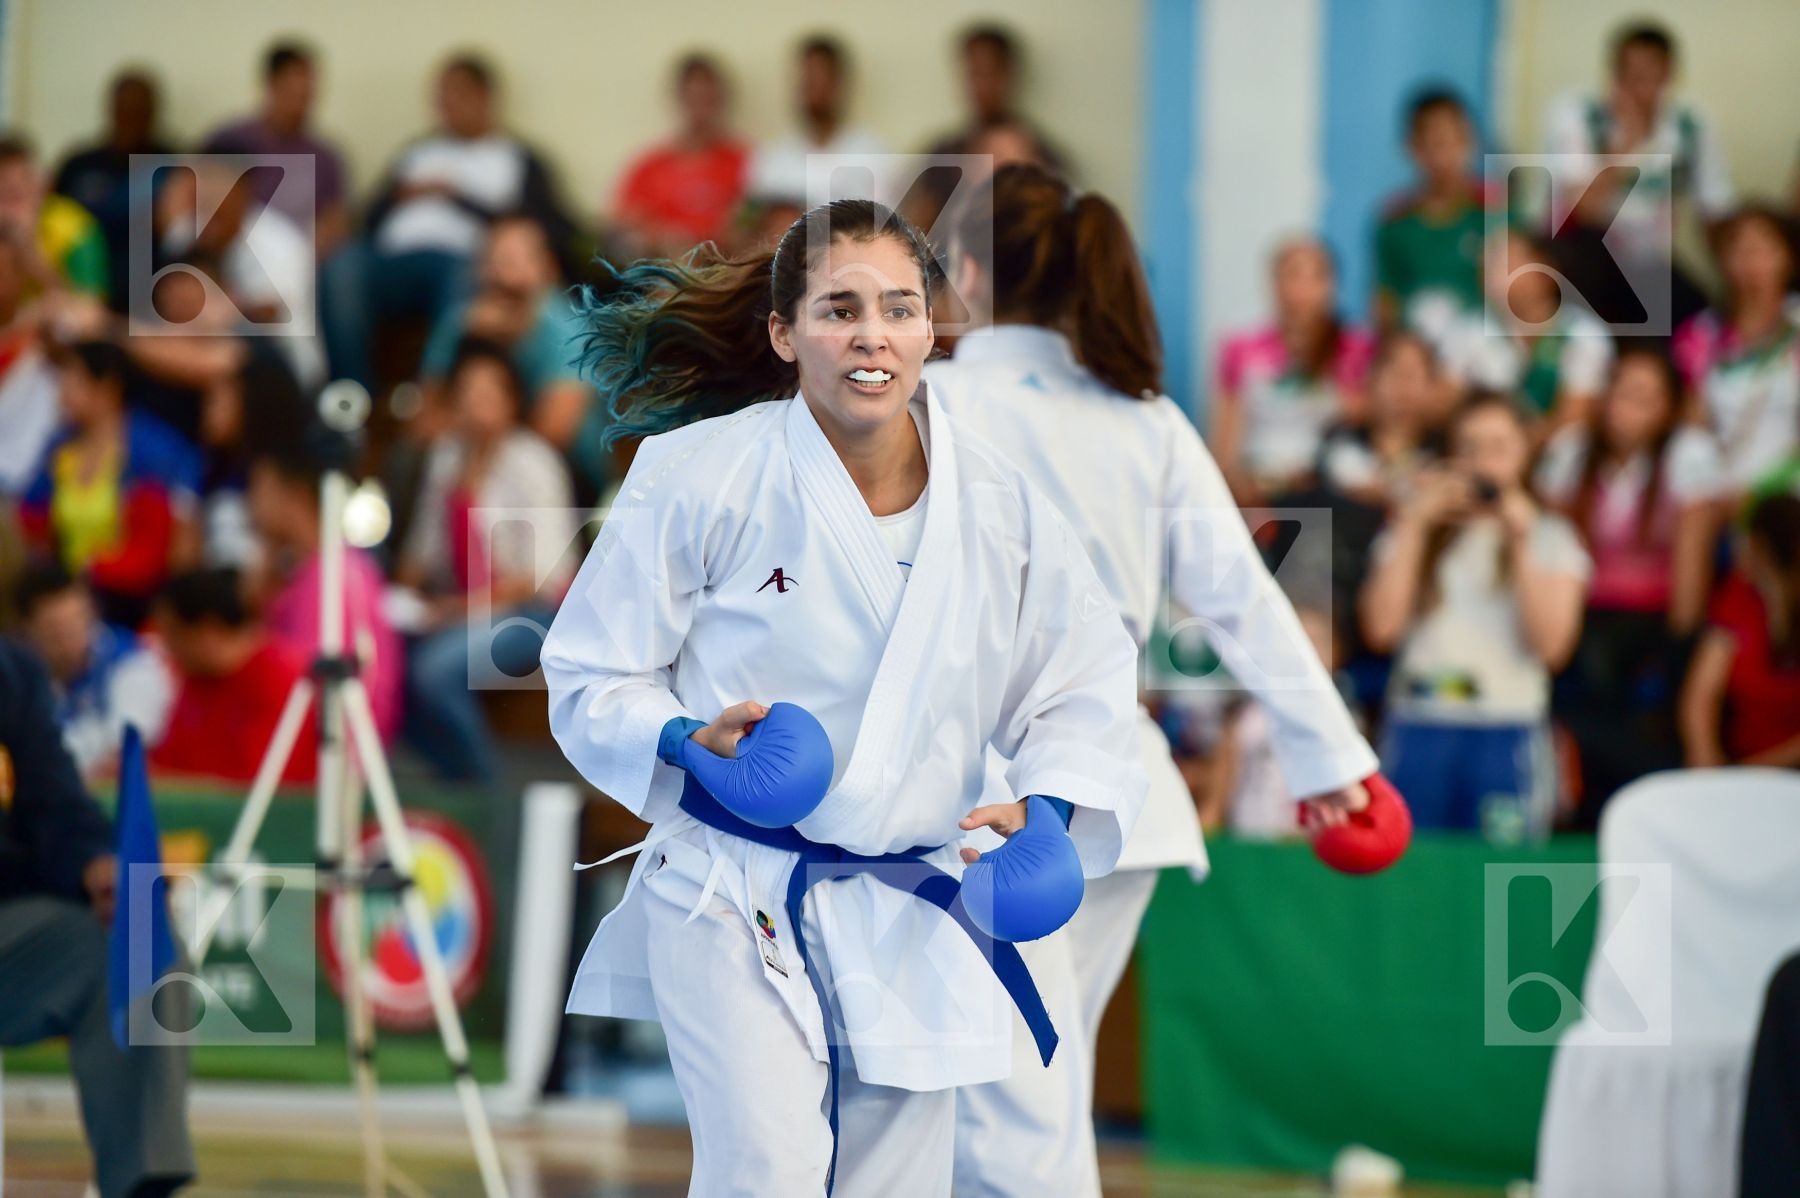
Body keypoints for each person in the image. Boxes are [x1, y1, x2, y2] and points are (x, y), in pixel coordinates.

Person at [543, 198, 1151, 1195]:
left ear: (931, 328)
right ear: (784, 333)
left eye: (899, 307)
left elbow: (1081, 677)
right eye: (838, 309)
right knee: (768, 1175)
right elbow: (590, 668)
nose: (872, 333)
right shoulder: (699, 475)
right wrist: (686, 738)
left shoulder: (1001, 502)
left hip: (914, 899)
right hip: (734, 890)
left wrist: (1048, 803)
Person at [923, 163, 1378, 1198]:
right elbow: (1247, 604)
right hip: (1120, 792)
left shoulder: (926, 405)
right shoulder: (1146, 418)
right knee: (1031, 1086)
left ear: (969, 271)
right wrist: (1331, 756)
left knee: (1009, 1112)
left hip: (986, 794)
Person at [0, 637, 194, 1198]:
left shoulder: (12, 673)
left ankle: (140, 1181)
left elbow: (58, 807)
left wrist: (97, 866)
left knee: (134, 943)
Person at [1359, 393, 1590, 834]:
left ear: (1524, 455)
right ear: (1451, 457)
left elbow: (1553, 648)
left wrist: (1521, 542)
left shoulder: (1552, 536)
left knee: (1500, 886)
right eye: (1470, 448)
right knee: (1413, 876)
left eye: (1499, 448)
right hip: (1419, 723)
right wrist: (1413, 525)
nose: (1485, 463)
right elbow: (1381, 629)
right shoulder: (1416, 531)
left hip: (1507, 728)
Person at [1536, 348, 1724, 821]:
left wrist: (1677, 649)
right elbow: (1552, 549)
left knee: (1615, 673)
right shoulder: (1572, 451)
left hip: (1653, 621)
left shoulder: (1688, 455)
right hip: (1580, 613)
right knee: (1577, 662)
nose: (1625, 407)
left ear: (1668, 408)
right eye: (1618, 391)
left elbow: (1690, 577)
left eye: (1642, 397)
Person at [322, 54, 576, 390]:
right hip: (391, 262)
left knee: (462, 277)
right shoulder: (417, 152)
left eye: (458, 94)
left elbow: (542, 226)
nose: (447, 105)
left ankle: (446, 393)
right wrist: (398, 197)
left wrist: (456, 197)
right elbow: (369, 218)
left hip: (461, 260)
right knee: (342, 263)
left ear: (485, 97)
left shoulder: (515, 157)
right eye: (441, 96)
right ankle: (352, 396)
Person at [397, 337, 573, 781]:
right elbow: (423, 552)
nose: (475, 404)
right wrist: (400, 595)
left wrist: (457, 611)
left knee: (434, 672)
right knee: (383, 658)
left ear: (512, 401)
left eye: (487, 393)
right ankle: (447, 776)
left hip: (537, 613)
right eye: (466, 393)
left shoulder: (534, 461)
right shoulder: (446, 456)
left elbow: (542, 575)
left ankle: (485, 789)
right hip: (462, 607)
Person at [1543, 20, 1733, 328]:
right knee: (1595, 258)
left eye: (1647, 76)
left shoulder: (1692, 126)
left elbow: (1714, 211)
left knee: (1698, 316)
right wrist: (1625, 144)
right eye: (1626, 75)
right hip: (1578, 255)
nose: (1635, 88)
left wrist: (1736, 277)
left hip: (1646, 263)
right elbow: (1584, 211)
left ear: (1669, 75)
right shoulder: (1576, 114)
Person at [20, 340, 203, 628]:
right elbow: (29, 523)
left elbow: (162, 551)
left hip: (133, 608)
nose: (62, 392)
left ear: (107, 388)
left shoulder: (154, 452)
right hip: (70, 603)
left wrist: (91, 571)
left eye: (74, 380)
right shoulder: (59, 449)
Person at [415, 212, 601, 487]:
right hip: (468, 461)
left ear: (546, 268)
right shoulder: (462, 324)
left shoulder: (571, 333)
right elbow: (422, 420)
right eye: (493, 261)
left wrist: (476, 422)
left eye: (514, 261)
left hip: (563, 475)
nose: (503, 276)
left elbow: (553, 433)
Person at [246, 449, 403, 744]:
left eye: (260, 487)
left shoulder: (334, 575)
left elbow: (310, 688)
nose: (250, 501)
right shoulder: (302, 569)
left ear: (295, 496)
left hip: (332, 753)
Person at [1211, 237, 1373, 505]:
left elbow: (1369, 424)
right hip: (1258, 487)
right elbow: (1226, 442)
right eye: (1292, 275)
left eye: (1316, 277)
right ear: (1273, 284)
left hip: (1330, 491)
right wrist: (1232, 486)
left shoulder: (1355, 347)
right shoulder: (1240, 347)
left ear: (1333, 286)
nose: (1303, 289)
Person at [1419, 228, 1614, 435]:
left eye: (1507, 264)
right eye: (1488, 266)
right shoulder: (1467, 330)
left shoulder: (1584, 333)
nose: (1493, 275)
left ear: (1545, 270)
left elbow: (1575, 419)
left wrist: (1516, 448)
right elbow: (1443, 405)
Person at [1671, 206, 1800, 497]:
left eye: (1763, 249)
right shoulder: (1702, 335)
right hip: (1722, 476)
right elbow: (1694, 426)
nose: (1751, 261)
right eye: (1740, 250)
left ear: (1789, 257)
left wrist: (1765, 485)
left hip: (1788, 474)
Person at [149, 566, 315, 784]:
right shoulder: (196, 678)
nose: (165, 646)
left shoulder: (282, 677)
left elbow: (254, 783)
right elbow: (169, 759)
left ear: (207, 630)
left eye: (170, 633)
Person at [15, 560, 175, 780]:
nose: (68, 639)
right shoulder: (18, 681)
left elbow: (125, 749)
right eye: (54, 629)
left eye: (75, 622)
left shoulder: (134, 663)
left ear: (91, 612)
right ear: (27, 631)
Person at [1679, 493, 1800, 768]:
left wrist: (1753, 773)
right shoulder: (1738, 596)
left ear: (1762, 547)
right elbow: (1701, 695)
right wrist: (1706, 758)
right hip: (1738, 763)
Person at [201, 40, 351, 258]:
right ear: (271, 86)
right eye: (293, 92)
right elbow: (202, 200)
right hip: (239, 247)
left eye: (307, 94)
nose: (302, 103)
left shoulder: (326, 157)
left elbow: (334, 221)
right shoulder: (231, 140)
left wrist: (307, 252)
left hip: (301, 255)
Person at [912, 25, 1067, 229]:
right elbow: (917, 231)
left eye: (990, 72)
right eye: (974, 73)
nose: (982, 86)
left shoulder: (1040, 154)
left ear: (1010, 75)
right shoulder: (944, 153)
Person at [52, 69, 176, 310]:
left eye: (140, 110)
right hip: (82, 286)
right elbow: (51, 222)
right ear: (111, 109)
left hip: (153, 292)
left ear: (154, 112)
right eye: (125, 109)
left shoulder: (172, 166)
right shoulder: (78, 165)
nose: (132, 118)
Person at [608, 54, 749, 260]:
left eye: (707, 99)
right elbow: (623, 223)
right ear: (679, 98)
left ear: (720, 100)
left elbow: (755, 221)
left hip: (728, 268)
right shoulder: (650, 167)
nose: (700, 109)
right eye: (693, 98)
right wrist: (662, 237)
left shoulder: (745, 162)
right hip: (666, 271)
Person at [1375, 88, 1490, 332]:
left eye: (1457, 140)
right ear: (1412, 147)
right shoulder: (1395, 223)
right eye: (1436, 143)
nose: (1446, 155)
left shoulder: (1496, 214)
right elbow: (1385, 305)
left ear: (1473, 141)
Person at [749, 36, 893, 207]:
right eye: (809, 80)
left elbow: (886, 224)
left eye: (822, 79)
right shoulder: (774, 158)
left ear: (839, 84)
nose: (814, 90)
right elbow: (761, 223)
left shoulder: (873, 153)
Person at [0, 132, 109, 301]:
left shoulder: (76, 229)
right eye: (5, 194)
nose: (13, 208)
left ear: (41, 183)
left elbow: (89, 307)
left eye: (20, 190)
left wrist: (28, 250)